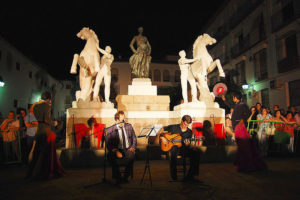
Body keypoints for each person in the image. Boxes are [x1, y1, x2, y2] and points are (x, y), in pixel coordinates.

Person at [27, 91, 64, 180]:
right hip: (45, 131)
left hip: (38, 130)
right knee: (45, 153)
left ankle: (30, 173)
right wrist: (54, 123)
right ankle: (43, 174)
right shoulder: (47, 106)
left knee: (36, 153)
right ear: (48, 98)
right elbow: (47, 120)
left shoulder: (35, 106)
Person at [157, 115, 200, 181]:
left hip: (183, 149)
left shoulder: (189, 132)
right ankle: (174, 177)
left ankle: (191, 175)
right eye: (185, 124)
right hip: (173, 149)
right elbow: (161, 130)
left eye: (187, 125)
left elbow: (187, 144)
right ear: (182, 121)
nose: (186, 126)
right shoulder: (173, 127)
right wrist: (162, 138)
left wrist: (187, 144)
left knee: (196, 152)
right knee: (174, 150)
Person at [106, 111, 137, 184]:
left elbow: (134, 138)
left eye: (124, 119)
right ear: (117, 120)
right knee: (110, 156)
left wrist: (133, 147)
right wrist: (115, 151)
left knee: (131, 155)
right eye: (122, 119)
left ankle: (126, 177)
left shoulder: (128, 126)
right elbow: (108, 143)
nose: (124, 121)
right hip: (117, 149)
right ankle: (118, 177)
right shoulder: (111, 129)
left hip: (127, 148)